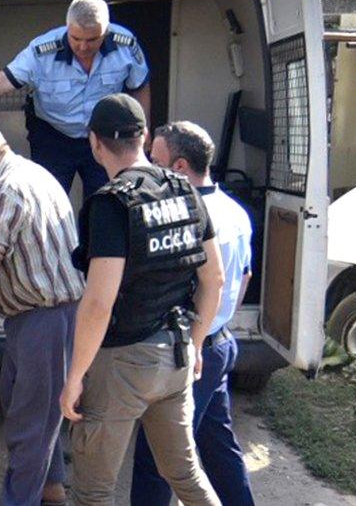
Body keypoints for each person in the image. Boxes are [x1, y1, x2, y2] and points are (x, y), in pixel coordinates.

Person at [58, 94, 223, 506]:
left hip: (123, 362)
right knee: (184, 473)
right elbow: (214, 278)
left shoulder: (112, 204)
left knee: (93, 491)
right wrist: (198, 344)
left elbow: (99, 302)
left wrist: (75, 376)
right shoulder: (187, 190)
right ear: (144, 136)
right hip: (178, 354)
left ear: (94, 143)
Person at [0, 119, 85, 506]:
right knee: (21, 401)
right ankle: (51, 487)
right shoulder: (31, 173)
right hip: (40, 317)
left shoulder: (5, 189)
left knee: (30, 422)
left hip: (44, 317)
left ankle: (20, 500)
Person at [131, 121, 256, 506]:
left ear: (180, 167)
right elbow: (244, 276)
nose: (150, 168)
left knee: (157, 457)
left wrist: (195, 340)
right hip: (219, 342)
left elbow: (203, 284)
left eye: (157, 161)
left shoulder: (187, 214)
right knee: (217, 444)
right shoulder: (235, 210)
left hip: (192, 349)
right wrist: (217, 325)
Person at [0, 0, 150, 199]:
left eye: (92, 40)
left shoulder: (125, 45)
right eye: (76, 38)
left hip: (101, 135)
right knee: (47, 199)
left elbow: (139, 86)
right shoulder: (42, 51)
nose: (83, 47)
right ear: (67, 28)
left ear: (106, 32)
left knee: (105, 198)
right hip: (53, 137)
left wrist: (140, 131)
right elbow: (7, 79)